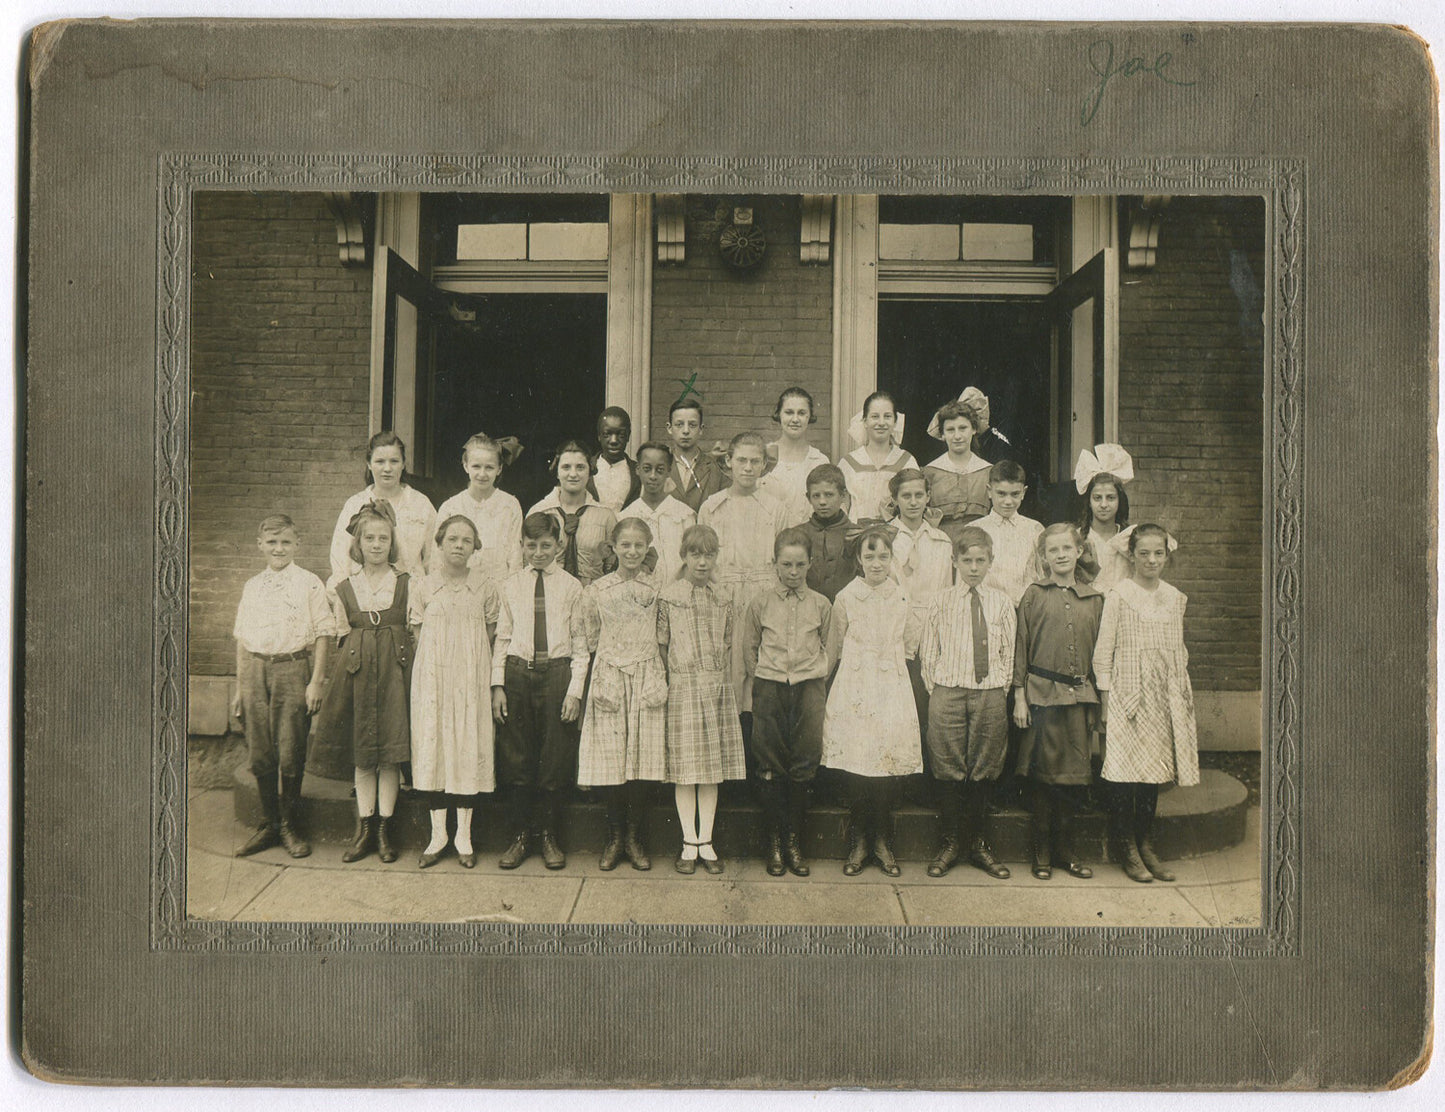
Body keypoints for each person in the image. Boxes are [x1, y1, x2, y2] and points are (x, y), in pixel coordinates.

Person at [308, 501, 414, 864]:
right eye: (369, 537)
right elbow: (341, 632)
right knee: (363, 751)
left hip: (395, 674)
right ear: (358, 542)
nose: (376, 544)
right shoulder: (344, 587)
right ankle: (364, 827)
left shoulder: (405, 583)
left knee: (390, 754)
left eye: (383, 538)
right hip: (356, 673)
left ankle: (385, 828)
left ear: (392, 542)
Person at [1094, 524, 1199, 884]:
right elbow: (1103, 652)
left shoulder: (1175, 597)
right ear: (1132, 555)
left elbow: (1177, 649)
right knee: (1125, 771)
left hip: (1163, 694)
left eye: (1158, 554)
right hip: (1128, 691)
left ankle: (1145, 842)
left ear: (1166, 556)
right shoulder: (1119, 595)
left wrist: (1179, 695)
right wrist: (1106, 702)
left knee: (1153, 770)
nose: (1151, 560)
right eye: (1144, 554)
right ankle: (1126, 848)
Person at [821, 524, 922, 877]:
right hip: (855, 684)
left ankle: (881, 840)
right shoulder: (847, 597)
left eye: (883, 556)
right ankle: (859, 841)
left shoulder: (902, 596)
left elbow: (910, 644)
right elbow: (833, 645)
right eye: (869, 556)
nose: (877, 564)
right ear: (859, 560)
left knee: (884, 764)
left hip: (889, 683)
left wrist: (890, 670)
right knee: (858, 764)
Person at [230, 514, 333, 858]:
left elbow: (323, 634)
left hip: (292, 669)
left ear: (297, 545)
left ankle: (289, 825)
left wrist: (316, 681)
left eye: (286, 542)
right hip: (255, 671)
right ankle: (270, 823)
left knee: (290, 750)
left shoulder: (310, 583)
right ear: (260, 545)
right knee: (260, 752)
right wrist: (239, 687)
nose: (279, 548)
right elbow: (242, 639)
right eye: (272, 542)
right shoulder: (252, 585)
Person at [490, 513, 589, 870]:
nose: (538, 552)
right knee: (517, 758)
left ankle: (548, 835)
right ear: (521, 546)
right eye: (531, 545)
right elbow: (502, 637)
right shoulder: (510, 585)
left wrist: (574, 691)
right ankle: (520, 836)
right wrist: (497, 685)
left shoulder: (572, 587)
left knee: (554, 758)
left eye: (546, 545)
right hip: (517, 674)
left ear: (559, 545)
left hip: (558, 674)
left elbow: (581, 645)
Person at [918, 526, 1016, 879]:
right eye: (966, 560)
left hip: (989, 692)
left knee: (985, 766)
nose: (973, 567)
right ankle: (950, 843)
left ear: (991, 561)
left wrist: (998, 688)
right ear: (954, 561)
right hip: (947, 689)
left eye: (980, 560)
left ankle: (978, 844)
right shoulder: (940, 601)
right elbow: (928, 652)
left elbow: (1008, 650)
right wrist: (940, 687)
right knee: (947, 765)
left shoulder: (1001, 601)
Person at [1013, 523, 1105, 881]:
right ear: (1044, 557)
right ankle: (1042, 853)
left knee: (1073, 779)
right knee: (1043, 778)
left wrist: (1100, 703)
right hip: (1041, 697)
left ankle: (1067, 851)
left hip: (1080, 698)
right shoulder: (1034, 595)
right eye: (1054, 550)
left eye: (1068, 548)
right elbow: (1021, 648)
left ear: (1079, 551)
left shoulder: (1095, 599)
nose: (1062, 555)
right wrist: (1020, 697)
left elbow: (1100, 655)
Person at [408, 515, 501, 870]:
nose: (459, 545)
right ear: (440, 542)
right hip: (433, 678)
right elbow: (416, 630)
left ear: (475, 546)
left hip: (470, 678)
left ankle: (463, 834)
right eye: (452, 539)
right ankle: (437, 835)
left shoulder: (485, 586)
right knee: (433, 748)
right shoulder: (424, 585)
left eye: (466, 540)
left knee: (465, 747)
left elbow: (491, 629)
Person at [576, 518, 669, 872]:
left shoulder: (657, 590)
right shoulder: (596, 591)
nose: (632, 552)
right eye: (625, 545)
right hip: (611, 674)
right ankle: (614, 838)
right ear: (613, 548)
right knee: (612, 760)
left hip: (646, 675)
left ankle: (635, 837)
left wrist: (660, 678)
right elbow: (591, 636)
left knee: (643, 761)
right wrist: (606, 671)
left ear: (648, 548)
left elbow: (662, 639)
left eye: (638, 546)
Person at [741, 527, 832, 878]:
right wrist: (766, 675)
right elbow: (750, 649)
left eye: (799, 565)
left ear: (809, 564)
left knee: (804, 761)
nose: (793, 572)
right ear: (775, 564)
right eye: (786, 565)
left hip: (808, 687)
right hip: (770, 686)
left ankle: (794, 841)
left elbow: (831, 648)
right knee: (770, 761)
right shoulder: (760, 602)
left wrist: (812, 675)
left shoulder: (821, 604)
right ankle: (774, 842)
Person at [658, 524, 746, 874]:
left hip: (714, 688)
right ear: (684, 556)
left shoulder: (724, 597)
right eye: (696, 554)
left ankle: (706, 842)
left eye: (709, 555)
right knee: (685, 770)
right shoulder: (669, 597)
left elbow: (726, 643)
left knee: (710, 770)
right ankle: (687, 842)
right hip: (682, 687)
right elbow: (662, 644)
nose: (703, 562)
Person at [699, 432, 789, 711]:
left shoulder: (775, 507)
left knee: (761, 666)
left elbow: (784, 560)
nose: (748, 467)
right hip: (723, 595)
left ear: (764, 465)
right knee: (728, 667)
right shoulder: (712, 507)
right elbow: (703, 559)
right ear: (729, 462)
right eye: (742, 460)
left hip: (763, 596)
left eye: (755, 461)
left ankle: (759, 741)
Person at [887, 468, 955, 762]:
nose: (913, 502)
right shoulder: (885, 538)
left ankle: (926, 776)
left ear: (928, 497)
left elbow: (946, 591)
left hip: (931, 630)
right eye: (906, 496)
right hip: (894, 630)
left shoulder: (942, 541)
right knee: (897, 704)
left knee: (927, 703)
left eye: (919, 495)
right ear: (895, 499)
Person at [329, 430, 437, 582]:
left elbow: (435, 558)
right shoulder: (355, 504)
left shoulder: (420, 504)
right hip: (365, 593)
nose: (387, 469)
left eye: (394, 461)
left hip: (412, 592)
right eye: (380, 462)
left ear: (403, 464)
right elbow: (340, 558)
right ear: (369, 464)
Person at [433, 433, 524, 584]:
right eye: (476, 466)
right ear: (465, 465)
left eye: (489, 467)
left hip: (498, 591)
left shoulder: (510, 506)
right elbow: (437, 559)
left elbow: (515, 560)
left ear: (499, 468)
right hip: (458, 591)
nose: (482, 474)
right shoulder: (450, 507)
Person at [529, 439, 618, 587]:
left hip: (591, 596)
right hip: (550, 594)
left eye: (580, 467)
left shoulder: (605, 516)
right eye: (566, 467)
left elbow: (613, 566)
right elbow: (528, 564)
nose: (573, 474)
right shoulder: (539, 512)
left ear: (590, 470)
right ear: (556, 471)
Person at [619, 440, 696, 585]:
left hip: (677, 598)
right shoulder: (626, 517)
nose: (653, 476)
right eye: (647, 469)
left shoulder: (685, 516)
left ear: (669, 471)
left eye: (660, 470)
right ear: (638, 469)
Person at [838, 390, 918, 523]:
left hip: (896, 537)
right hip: (856, 537)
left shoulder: (906, 461)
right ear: (865, 421)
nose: (881, 423)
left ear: (895, 421)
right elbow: (840, 507)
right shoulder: (849, 463)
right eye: (875, 416)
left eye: (887, 416)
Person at [974, 459, 1044, 607]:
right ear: (989, 491)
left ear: (1023, 492)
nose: (1008, 501)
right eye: (1001, 493)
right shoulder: (975, 530)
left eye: (1015, 494)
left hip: (1026, 611)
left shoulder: (1034, 529)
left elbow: (1043, 575)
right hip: (989, 610)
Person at [923, 395, 993, 544]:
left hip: (979, 544)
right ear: (942, 434)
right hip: (940, 543)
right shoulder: (930, 472)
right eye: (950, 430)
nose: (957, 436)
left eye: (963, 428)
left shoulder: (988, 471)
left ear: (974, 429)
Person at [759, 386, 832, 526]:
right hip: (767, 539)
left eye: (801, 413)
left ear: (809, 416)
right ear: (779, 414)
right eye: (789, 412)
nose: (795, 419)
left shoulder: (819, 461)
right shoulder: (763, 456)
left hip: (806, 542)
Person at [1073, 443, 1135, 595]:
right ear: (1089, 501)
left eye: (1111, 498)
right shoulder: (1077, 537)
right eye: (1097, 498)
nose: (1104, 504)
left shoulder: (1129, 537)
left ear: (1120, 500)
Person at [796, 463, 855, 602]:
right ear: (808, 498)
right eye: (816, 496)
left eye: (829, 495)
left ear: (843, 495)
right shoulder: (798, 535)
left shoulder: (856, 534)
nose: (822, 502)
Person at [664, 397, 729, 512]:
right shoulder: (660, 466)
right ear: (669, 428)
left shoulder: (715, 468)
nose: (685, 431)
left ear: (701, 429)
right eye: (679, 424)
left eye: (692, 425)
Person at [588, 406, 642, 514]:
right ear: (599, 436)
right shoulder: (585, 468)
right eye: (607, 434)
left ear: (628, 436)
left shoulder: (638, 472)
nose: (613, 441)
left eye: (621, 435)